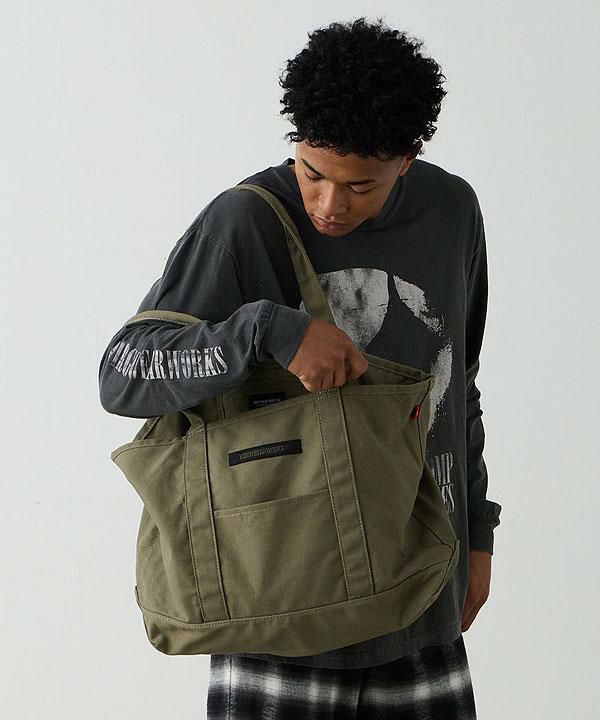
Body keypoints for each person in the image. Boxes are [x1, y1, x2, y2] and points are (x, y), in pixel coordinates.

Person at [98, 16, 502, 719]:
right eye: (312, 173)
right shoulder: (245, 221)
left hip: (420, 587)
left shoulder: (452, 212)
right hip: (282, 603)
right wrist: (267, 331)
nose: (329, 205)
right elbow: (123, 373)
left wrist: (479, 534)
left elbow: (456, 381)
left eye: (361, 186)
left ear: (407, 159)